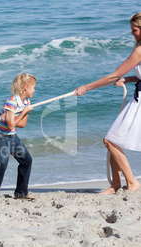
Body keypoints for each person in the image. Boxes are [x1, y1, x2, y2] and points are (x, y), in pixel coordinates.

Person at [74, 13, 141, 194]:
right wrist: (129, 78)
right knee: (112, 139)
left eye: (134, 30)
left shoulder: (139, 51)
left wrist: (86, 88)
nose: (132, 34)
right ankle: (117, 185)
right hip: (138, 97)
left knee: (110, 140)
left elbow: (113, 76)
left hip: (140, 101)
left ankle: (132, 183)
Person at [0, 73, 36, 200]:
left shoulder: (26, 102)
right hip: (1, 136)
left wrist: (22, 112)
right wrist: (24, 112)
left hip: (13, 137)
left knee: (27, 161)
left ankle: (21, 192)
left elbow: (21, 124)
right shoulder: (11, 102)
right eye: (34, 87)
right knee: (1, 165)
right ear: (26, 87)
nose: (35, 90)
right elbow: (11, 126)